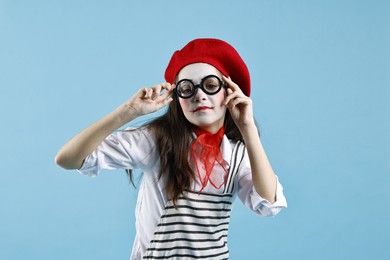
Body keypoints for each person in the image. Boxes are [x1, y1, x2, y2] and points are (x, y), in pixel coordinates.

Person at [55, 38, 287, 260]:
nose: (200, 95)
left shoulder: (238, 154)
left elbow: (268, 204)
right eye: (187, 88)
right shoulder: (156, 140)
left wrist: (249, 131)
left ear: (229, 92)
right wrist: (128, 111)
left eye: (211, 85)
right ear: (177, 98)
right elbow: (68, 159)